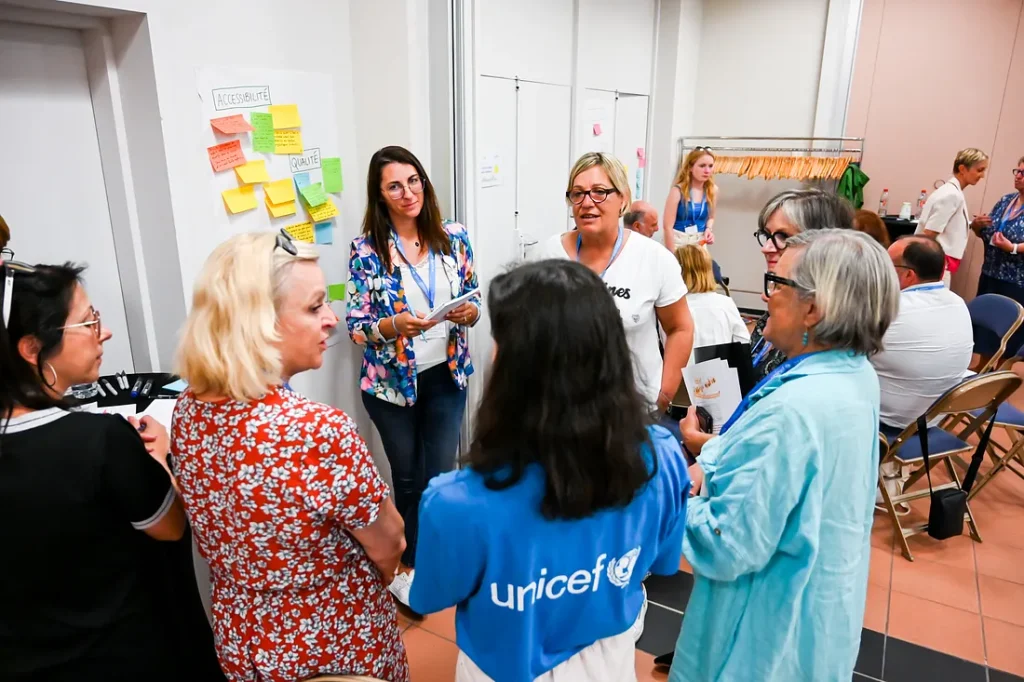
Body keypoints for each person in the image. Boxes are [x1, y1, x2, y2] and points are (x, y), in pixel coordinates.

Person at [408, 260, 691, 682]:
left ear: (515, 366)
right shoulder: (664, 458)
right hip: (611, 659)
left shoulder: (455, 501)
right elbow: (664, 562)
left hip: (500, 668)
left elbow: (432, 595)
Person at [173, 231, 409, 682]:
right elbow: (389, 542)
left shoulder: (188, 409)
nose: (332, 320)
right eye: (314, 306)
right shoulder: (315, 431)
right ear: (259, 322)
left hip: (245, 641)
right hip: (332, 645)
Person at [670, 229, 900, 682]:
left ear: (813, 309)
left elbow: (725, 543)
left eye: (778, 284)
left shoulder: (792, 410)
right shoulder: (854, 375)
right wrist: (716, 451)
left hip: (761, 638)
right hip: (817, 615)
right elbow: (793, 470)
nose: (766, 294)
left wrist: (667, 493)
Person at [0, 260, 212, 681]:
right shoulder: (100, 439)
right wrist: (161, 459)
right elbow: (169, 526)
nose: (105, 332)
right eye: (89, 323)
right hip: (119, 655)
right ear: (31, 348)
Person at [346, 145, 480, 607]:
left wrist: (468, 313)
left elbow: (474, 301)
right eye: (394, 187)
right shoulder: (366, 251)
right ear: (380, 196)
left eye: (414, 181)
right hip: (390, 386)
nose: (408, 193)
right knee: (406, 477)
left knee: (440, 473)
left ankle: (436, 556)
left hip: (446, 374)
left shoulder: (453, 237)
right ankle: (411, 564)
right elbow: (357, 328)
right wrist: (393, 326)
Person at [534, 152, 694, 417]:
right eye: (578, 193)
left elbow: (680, 328)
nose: (587, 203)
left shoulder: (653, 259)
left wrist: (663, 394)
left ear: (623, 198)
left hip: (633, 412)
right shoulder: (550, 254)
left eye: (599, 192)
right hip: (562, 411)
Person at [871, 235, 972, 510]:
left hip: (890, 423)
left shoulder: (891, 310)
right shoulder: (958, 303)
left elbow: (846, 354)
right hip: (935, 417)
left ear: (907, 275)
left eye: (886, 265)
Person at [915, 147, 990, 285]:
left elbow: (945, 225)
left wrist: (970, 224)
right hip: (937, 265)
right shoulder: (952, 195)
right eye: (979, 170)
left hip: (936, 262)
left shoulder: (951, 192)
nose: (982, 175)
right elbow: (930, 232)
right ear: (962, 169)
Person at [972, 154, 1024, 352]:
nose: (1018, 176)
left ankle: (1001, 375)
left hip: (1016, 282)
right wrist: (977, 226)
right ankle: (981, 372)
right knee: (984, 336)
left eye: (1023, 173)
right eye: (1017, 171)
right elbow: (987, 232)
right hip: (990, 274)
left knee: (1007, 338)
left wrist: (1012, 248)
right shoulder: (1006, 200)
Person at [675, 244, 750, 360]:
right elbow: (743, 342)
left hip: (684, 375)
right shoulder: (726, 304)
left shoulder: (674, 309)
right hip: (723, 372)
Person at [663, 147, 717, 249]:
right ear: (690, 168)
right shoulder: (677, 190)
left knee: (712, 266)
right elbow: (667, 227)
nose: (707, 170)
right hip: (678, 241)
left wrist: (708, 229)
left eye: (710, 166)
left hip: (699, 241)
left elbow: (711, 217)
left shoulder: (713, 190)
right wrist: (671, 255)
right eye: (702, 166)